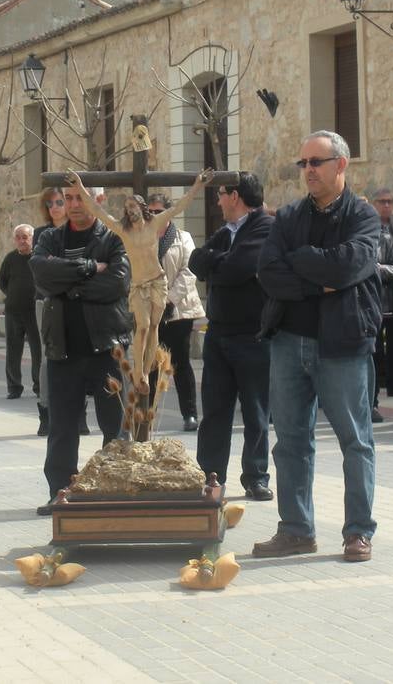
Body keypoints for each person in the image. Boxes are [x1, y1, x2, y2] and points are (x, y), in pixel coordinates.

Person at [253, 130, 379, 563]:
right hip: (289, 341)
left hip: (343, 344)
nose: (308, 170)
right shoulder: (287, 217)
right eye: (303, 163)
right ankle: (296, 530)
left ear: (341, 165)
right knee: (289, 441)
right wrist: (319, 281)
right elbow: (268, 271)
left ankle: (358, 532)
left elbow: (351, 266)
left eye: (316, 162)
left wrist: (302, 262)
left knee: (355, 441)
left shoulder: (363, 216)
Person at [31, 179, 131, 513]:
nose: (74, 204)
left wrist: (68, 288)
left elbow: (116, 284)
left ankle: (112, 490)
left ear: (99, 199)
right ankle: (60, 492)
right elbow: (42, 274)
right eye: (69, 198)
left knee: (113, 427)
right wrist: (88, 268)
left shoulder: (114, 238)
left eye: (82, 198)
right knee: (62, 428)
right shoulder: (49, 238)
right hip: (63, 350)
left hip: (106, 348)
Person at [64, 169, 210, 395]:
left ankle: (147, 374)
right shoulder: (122, 229)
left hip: (158, 283)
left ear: (142, 209)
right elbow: (97, 209)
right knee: (141, 327)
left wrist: (198, 184)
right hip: (139, 285)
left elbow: (180, 205)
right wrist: (81, 185)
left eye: (133, 207)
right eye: (127, 208)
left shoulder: (155, 224)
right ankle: (140, 373)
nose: (129, 211)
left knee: (153, 327)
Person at [191, 173, 275, 501]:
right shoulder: (224, 232)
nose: (218, 201)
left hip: (252, 335)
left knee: (255, 410)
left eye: (221, 194)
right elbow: (196, 261)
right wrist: (217, 263)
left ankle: (255, 476)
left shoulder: (264, 227)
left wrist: (217, 265)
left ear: (236, 196)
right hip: (218, 334)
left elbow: (240, 267)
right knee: (214, 411)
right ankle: (211, 476)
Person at [146, 193, 205, 431]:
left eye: (159, 211)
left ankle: (189, 413)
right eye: (150, 211)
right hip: (150, 311)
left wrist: (169, 299)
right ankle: (147, 412)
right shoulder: (142, 237)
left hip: (177, 310)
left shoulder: (183, 238)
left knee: (180, 363)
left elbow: (189, 271)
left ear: (169, 212)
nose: (154, 215)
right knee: (150, 363)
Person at [32, 187, 67, 436]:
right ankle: (45, 412)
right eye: (50, 203)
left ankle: (79, 415)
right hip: (46, 301)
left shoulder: (79, 232)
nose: (54, 207)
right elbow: (42, 270)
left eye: (59, 202)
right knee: (48, 357)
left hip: (75, 299)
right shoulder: (41, 234)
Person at [369, 188, 393, 422]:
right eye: (382, 202)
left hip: (384, 301)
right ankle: (366, 401)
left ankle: (374, 402)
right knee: (369, 354)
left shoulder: (387, 237)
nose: (386, 205)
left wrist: (378, 269)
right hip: (358, 305)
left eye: (390, 201)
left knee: (388, 347)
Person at [0, 223, 41, 400]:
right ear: (15, 240)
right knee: (13, 351)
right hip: (14, 312)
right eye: (19, 237)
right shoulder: (10, 259)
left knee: (38, 351)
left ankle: (39, 386)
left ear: (32, 238)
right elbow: (2, 282)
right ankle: (14, 387)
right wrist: (13, 294)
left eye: (25, 237)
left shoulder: (39, 258)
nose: (22, 241)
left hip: (34, 312)